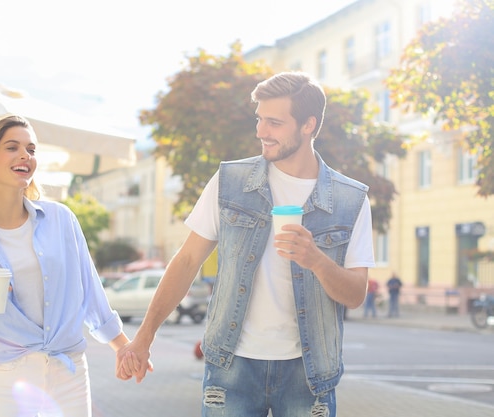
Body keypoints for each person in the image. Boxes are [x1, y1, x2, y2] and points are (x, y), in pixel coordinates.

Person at [117, 71, 375, 416]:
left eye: (274, 122)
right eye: (259, 119)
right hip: (231, 366)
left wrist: (316, 259)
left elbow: (356, 293)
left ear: (308, 125)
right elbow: (186, 261)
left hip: (309, 374)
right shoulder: (230, 181)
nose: (261, 131)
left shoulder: (350, 199)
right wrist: (144, 337)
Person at [0, 115, 140, 416]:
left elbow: (90, 291)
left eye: (31, 149)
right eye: (12, 147)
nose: (25, 156)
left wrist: (122, 347)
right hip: (6, 375)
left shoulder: (61, 219)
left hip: (68, 371)